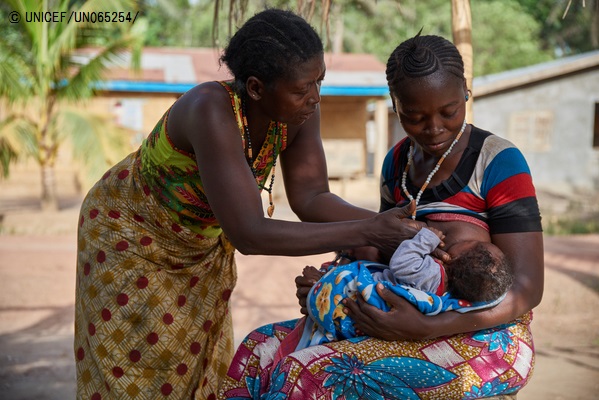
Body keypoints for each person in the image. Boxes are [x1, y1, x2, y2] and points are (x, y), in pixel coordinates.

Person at [73, 9, 426, 400]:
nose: (314, 97)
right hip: (130, 236)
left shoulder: (299, 110)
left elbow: (312, 197)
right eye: (302, 88)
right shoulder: (210, 109)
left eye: (319, 82)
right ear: (256, 88)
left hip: (199, 245)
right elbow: (249, 233)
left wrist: (412, 227)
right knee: (137, 363)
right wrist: (370, 229)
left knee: (195, 359)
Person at [219, 32, 543, 400]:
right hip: (401, 320)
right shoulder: (397, 163)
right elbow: (384, 252)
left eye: (449, 112)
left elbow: (527, 288)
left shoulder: (498, 161)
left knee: (308, 374)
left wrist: (426, 328)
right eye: (415, 116)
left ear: (465, 93)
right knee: (258, 350)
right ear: (395, 104)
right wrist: (332, 284)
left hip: (486, 340)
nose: (434, 128)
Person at [305, 217, 513, 345]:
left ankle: (322, 286)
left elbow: (402, 263)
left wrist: (426, 238)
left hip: (355, 304)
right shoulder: (451, 292)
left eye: (472, 244)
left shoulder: (432, 276)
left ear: (452, 258)